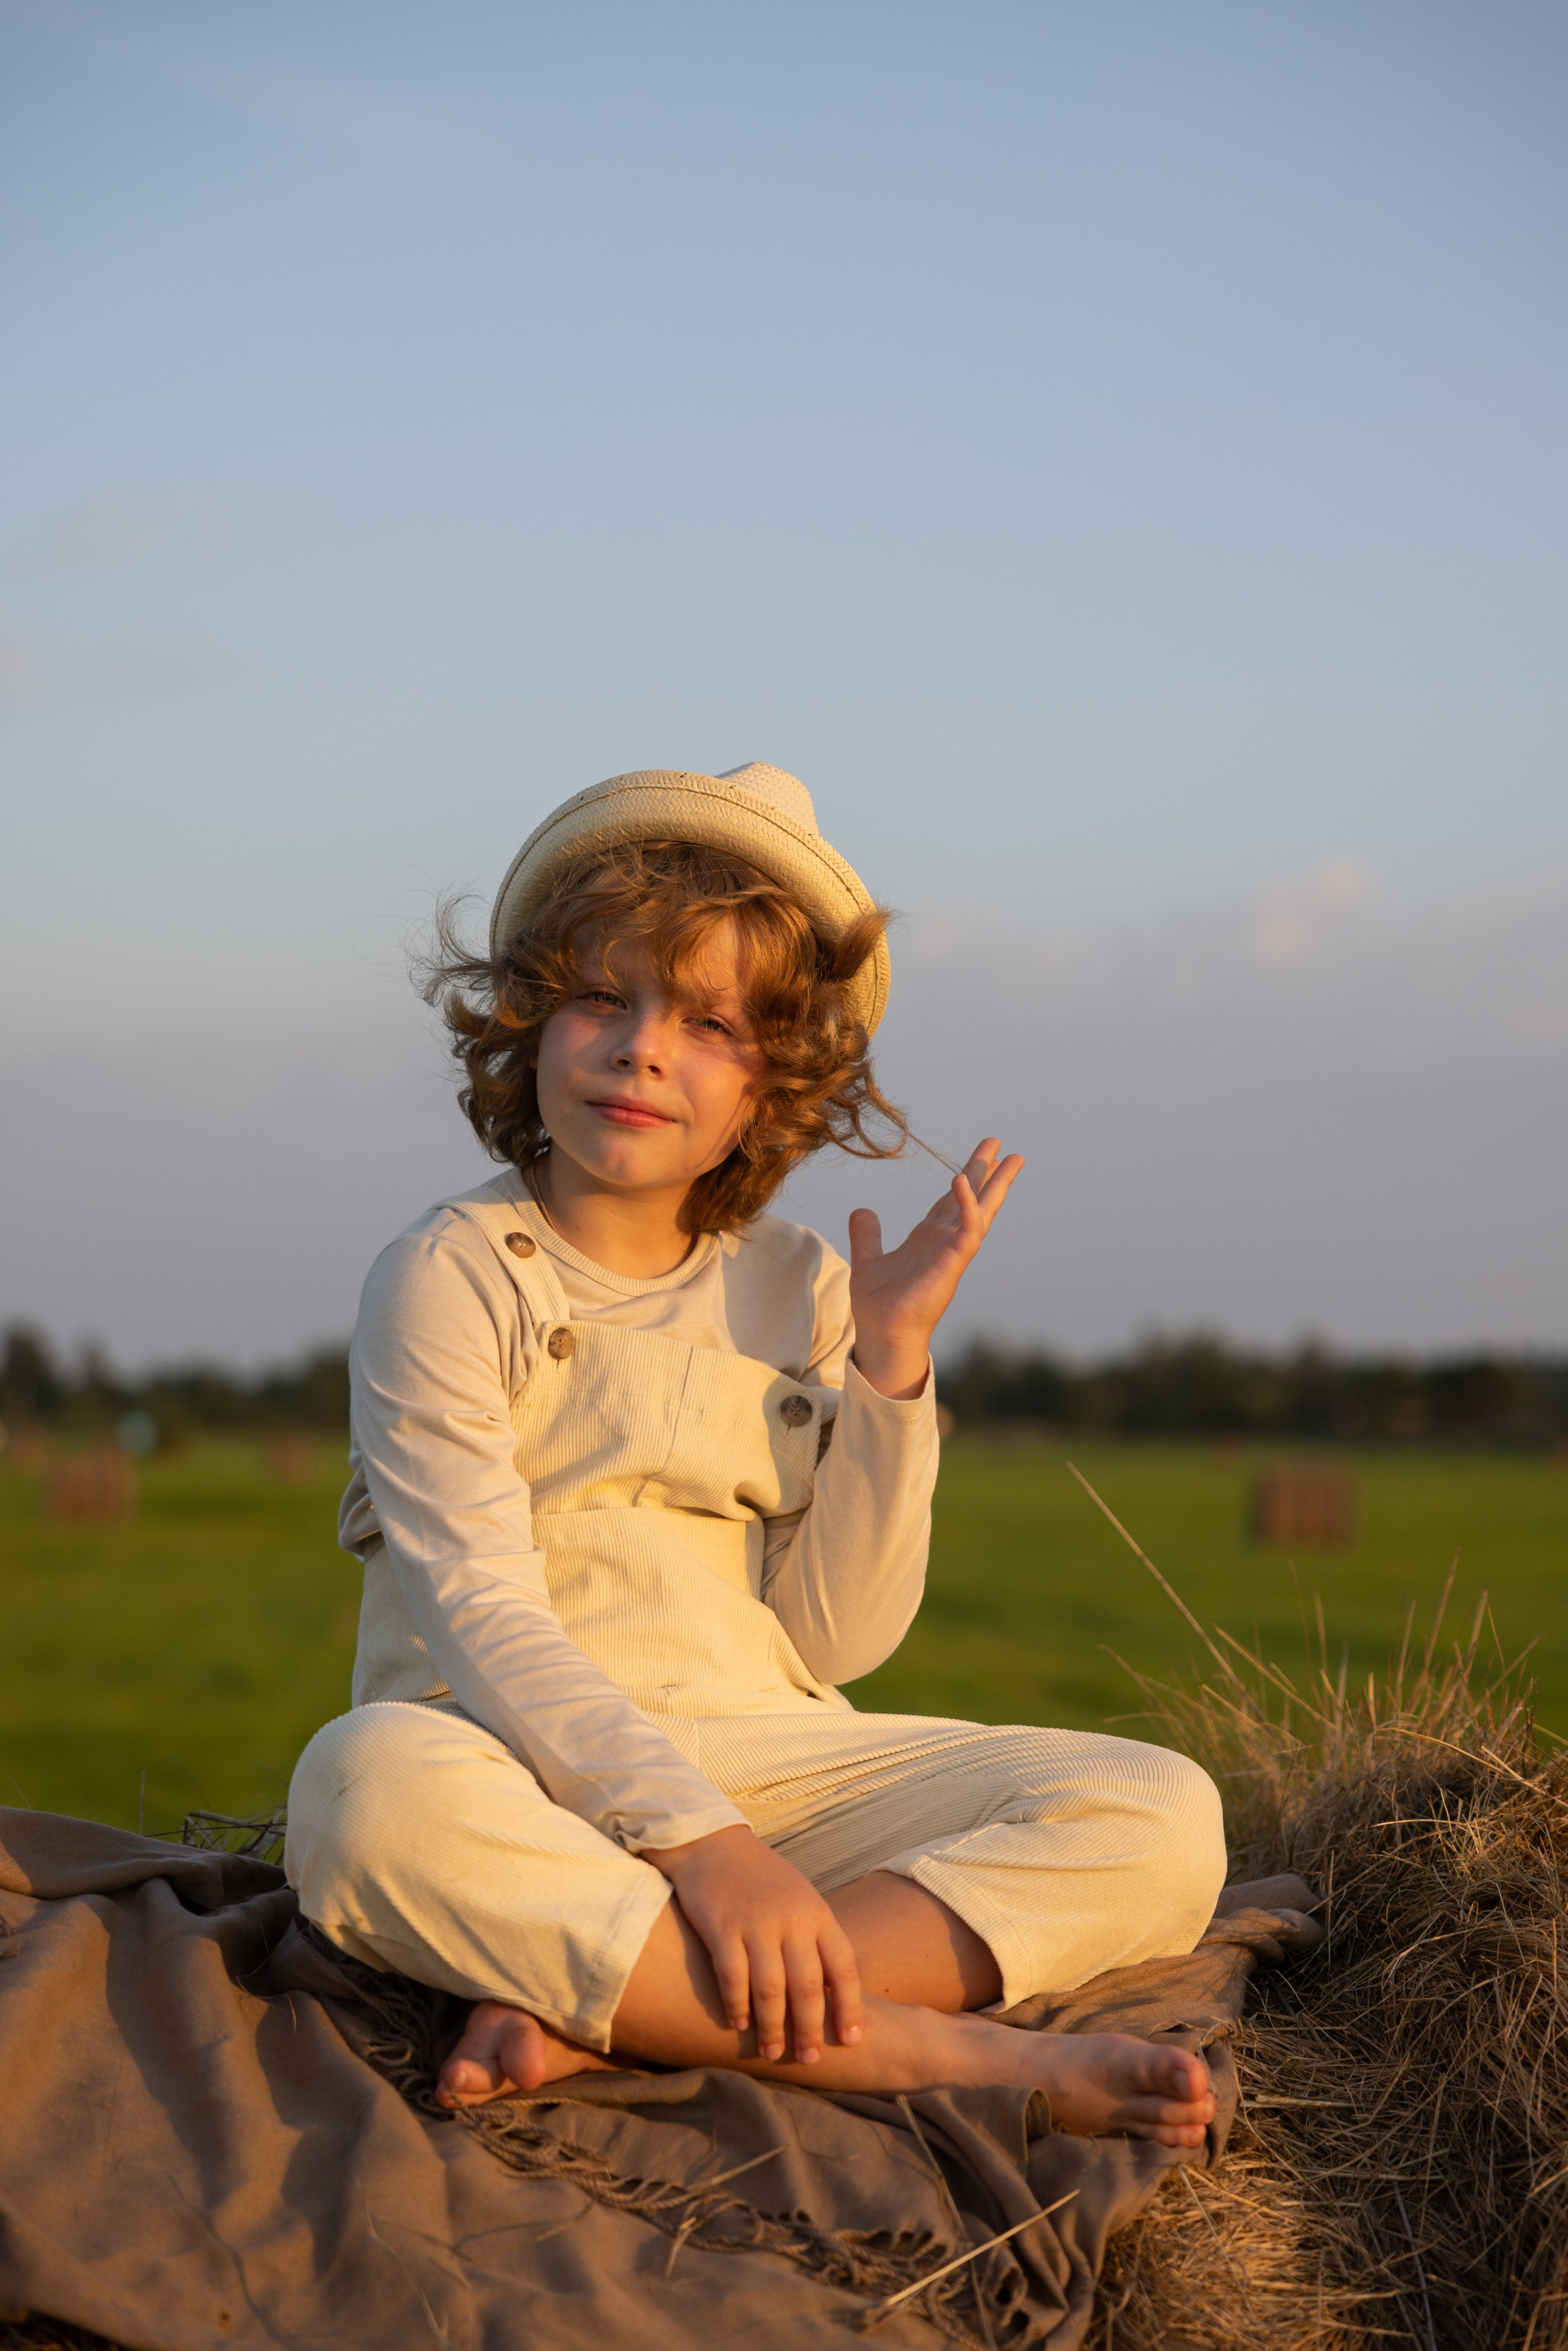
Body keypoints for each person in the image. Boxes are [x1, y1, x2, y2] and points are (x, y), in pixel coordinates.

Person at [286, 763, 1226, 2144]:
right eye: (603, 997)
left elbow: (838, 1637)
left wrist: (890, 1365)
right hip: (502, 1753)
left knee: (1161, 1808)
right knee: (358, 1791)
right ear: (531, 1020)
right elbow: (480, 1610)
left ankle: (616, 2000)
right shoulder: (451, 1270)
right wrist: (707, 1851)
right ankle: (927, 2048)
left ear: (770, 1085)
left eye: (710, 1023)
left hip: (770, 1755)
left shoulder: (801, 1287)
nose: (641, 1049)